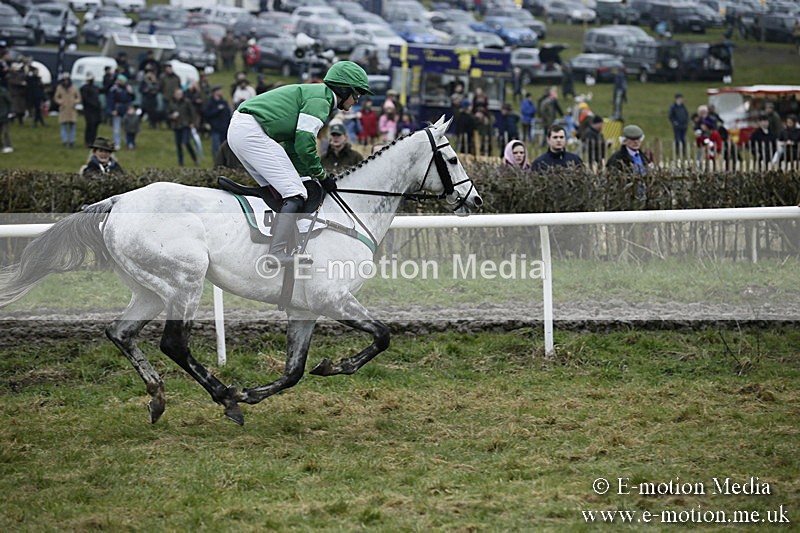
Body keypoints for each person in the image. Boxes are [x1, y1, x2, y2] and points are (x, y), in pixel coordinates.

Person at [226, 60, 373, 268]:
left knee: (284, 190)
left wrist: (307, 176)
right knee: (295, 193)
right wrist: (321, 176)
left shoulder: (318, 96)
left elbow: (292, 145)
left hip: (244, 130)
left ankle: (277, 245)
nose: (357, 99)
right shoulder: (321, 100)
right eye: (357, 93)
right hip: (250, 132)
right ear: (344, 89)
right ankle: (276, 253)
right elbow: (305, 144)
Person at [168, 88, 198, 167]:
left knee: (187, 142)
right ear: (174, 95)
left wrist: (192, 123)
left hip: (186, 125)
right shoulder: (172, 103)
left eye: (180, 94)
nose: (179, 96)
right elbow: (168, 113)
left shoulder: (187, 102)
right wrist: (171, 117)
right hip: (176, 126)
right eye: (177, 94)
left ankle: (194, 158)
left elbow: (193, 113)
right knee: (178, 145)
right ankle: (180, 162)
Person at [53, 73, 81, 148]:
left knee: (72, 126)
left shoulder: (74, 87)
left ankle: (72, 141)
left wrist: (75, 101)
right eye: (64, 80)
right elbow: (56, 97)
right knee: (63, 126)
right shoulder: (59, 88)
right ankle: (65, 141)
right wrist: (60, 102)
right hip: (63, 109)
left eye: (67, 79)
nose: (65, 81)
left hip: (72, 109)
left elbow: (78, 97)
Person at [107, 74, 135, 150]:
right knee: (116, 128)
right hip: (117, 110)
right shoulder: (114, 89)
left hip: (126, 109)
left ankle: (128, 142)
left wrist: (131, 93)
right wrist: (111, 110)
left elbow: (132, 99)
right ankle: (117, 143)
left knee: (127, 128)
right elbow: (110, 100)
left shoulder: (128, 88)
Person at [203, 85, 232, 158]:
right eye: (219, 90)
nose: (221, 92)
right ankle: (216, 163)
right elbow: (206, 114)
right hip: (215, 129)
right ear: (214, 92)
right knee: (215, 147)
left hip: (224, 128)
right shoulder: (210, 103)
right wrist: (217, 110)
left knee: (225, 148)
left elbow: (227, 114)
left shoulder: (224, 102)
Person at [668, 93, 689, 158]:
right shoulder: (673, 107)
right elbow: (670, 116)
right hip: (677, 126)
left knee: (683, 139)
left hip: (684, 126)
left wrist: (686, 122)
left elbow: (686, 114)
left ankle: (683, 152)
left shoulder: (683, 107)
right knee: (677, 139)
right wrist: (674, 122)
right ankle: (677, 152)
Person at [0, 81, 12, 153]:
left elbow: (10, 102)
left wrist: (10, 112)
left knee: (5, 132)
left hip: (4, 115)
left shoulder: (3, 92)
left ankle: (8, 146)